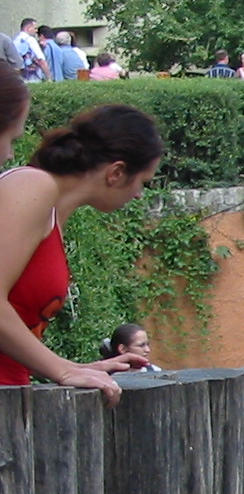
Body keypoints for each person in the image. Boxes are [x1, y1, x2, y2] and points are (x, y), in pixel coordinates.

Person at [0, 100, 160, 406]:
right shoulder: (32, 185)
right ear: (116, 172)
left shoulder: (50, 213)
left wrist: (76, 368)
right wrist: (61, 370)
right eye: (143, 181)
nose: (140, 194)